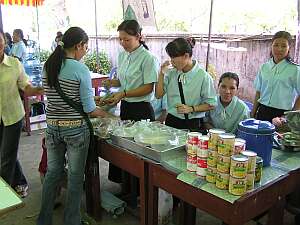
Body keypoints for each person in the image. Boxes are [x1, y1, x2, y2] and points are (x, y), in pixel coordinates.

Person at [37, 27, 109, 225]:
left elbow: (60, 98)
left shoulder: (48, 65)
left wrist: (92, 102)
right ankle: (72, 221)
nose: (85, 51)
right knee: (76, 178)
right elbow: (89, 109)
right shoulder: (80, 69)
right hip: (75, 131)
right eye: (85, 47)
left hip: (52, 128)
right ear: (78, 46)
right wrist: (108, 114)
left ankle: (43, 220)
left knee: (53, 174)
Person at [103, 20, 159, 183]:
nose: (123, 43)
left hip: (142, 110)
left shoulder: (148, 58)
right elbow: (123, 81)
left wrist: (124, 93)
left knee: (140, 151)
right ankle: (127, 186)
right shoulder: (122, 56)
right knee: (124, 147)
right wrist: (112, 83)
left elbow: (148, 88)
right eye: (120, 39)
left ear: (139, 37)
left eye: (127, 39)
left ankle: (141, 191)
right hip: (126, 107)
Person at [0, 29, 44, 198]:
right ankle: (20, 182)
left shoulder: (14, 64)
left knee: (5, 159)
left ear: (5, 41)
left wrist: (38, 89)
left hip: (13, 116)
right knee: (6, 154)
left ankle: (4, 197)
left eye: (0, 40)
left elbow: (25, 86)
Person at [155, 37, 216, 132]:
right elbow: (158, 95)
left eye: (174, 57)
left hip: (193, 123)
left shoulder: (203, 76)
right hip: (172, 120)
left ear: (186, 56)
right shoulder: (171, 73)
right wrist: (161, 74)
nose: (171, 61)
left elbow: (211, 104)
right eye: (170, 57)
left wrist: (191, 108)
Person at [251, 31, 300, 122]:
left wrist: (291, 115)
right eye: (276, 45)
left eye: (284, 46)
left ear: (289, 48)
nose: (279, 49)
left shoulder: (295, 70)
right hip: (262, 112)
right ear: (271, 46)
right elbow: (258, 92)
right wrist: (253, 113)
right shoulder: (264, 67)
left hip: (282, 116)